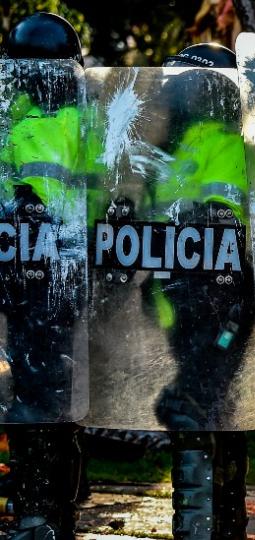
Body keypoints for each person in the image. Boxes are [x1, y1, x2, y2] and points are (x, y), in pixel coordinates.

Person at [145, 43, 253, 540]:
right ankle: (219, 524)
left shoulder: (221, 144)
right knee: (213, 421)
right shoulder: (176, 153)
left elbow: (224, 211)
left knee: (195, 414)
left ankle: (200, 527)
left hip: (216, 309)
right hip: (190, 304)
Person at [0, 12, 86, 540]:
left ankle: (43, 516)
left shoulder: (79, 123)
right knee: (40, 397)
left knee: (42, 396)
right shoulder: (19, 124)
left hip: (55, 280)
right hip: (35, 277)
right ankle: (45, 514)